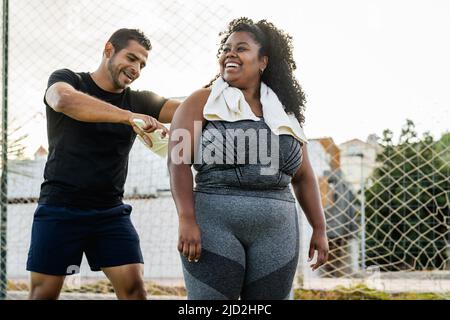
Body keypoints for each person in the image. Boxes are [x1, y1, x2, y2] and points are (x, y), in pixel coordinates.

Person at [168, 17, 329, 300]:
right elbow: (177, 163)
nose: (230, 53)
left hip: (277, 230)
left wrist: (319, 228)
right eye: (226, 48)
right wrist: (186, 219)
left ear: (263, 61)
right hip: (213, 225)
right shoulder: (198, 103)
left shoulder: (286, 113)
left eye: (241, 48)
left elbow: (304, 177)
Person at [26, 28, 180, 300]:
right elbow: (63, 100)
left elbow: (184, 110)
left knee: (134, 290)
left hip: (110, 213)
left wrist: (225, 86)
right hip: (59, 208)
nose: (136, 69)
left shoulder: (140, 99)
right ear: (109, 50)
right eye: (131, 58)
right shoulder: (68, 80)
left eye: (142, 64)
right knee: (43, 294)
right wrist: (127, 117)